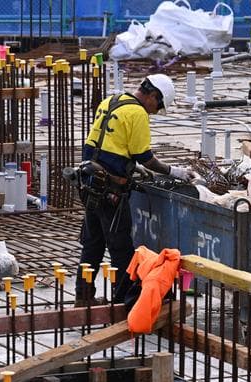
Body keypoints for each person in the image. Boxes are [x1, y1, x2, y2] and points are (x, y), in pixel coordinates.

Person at [73, 73, 191, 307]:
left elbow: (104, 146)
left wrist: (131, 165)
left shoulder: (111, 101)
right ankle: (122, 301)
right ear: (153, 95)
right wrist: (173, 171)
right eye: (158, 106)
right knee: (121, 249)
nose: (155, 112)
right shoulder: (137, 113)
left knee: (93, 243)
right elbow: (147, 158)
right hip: (110, 191)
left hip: (88, 183)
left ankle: (83, 297)